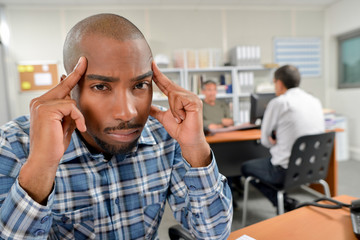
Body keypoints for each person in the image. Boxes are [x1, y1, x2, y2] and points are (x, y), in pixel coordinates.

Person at [0, 14, 232, 239]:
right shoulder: (14, 145)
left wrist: (196, 147)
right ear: (69, 89)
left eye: (140, 84)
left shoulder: (166, 138)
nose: (127, 112)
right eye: (101, 86)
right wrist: (41, 166)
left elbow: (213, 234)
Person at [241, 65, 325, 213]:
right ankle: (286, 202)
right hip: (313, 168)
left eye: (274, 83)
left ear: (279, 83)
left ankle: (284, 202)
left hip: (285, 172)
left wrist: (274, 139)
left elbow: (265, 141)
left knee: (246, 167)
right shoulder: (315, 100)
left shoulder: (279, 102)